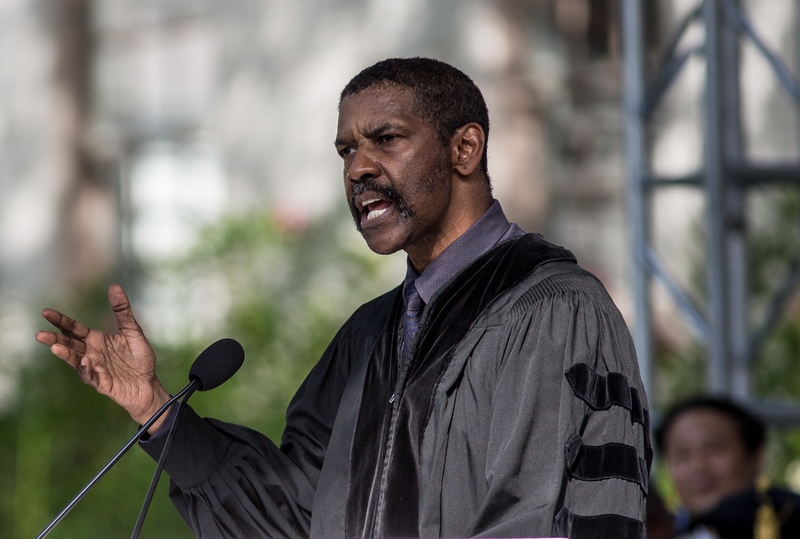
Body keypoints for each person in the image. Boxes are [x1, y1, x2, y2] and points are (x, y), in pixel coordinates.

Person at [35, 57, 651, 539]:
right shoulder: (370, 336)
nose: (358, 168)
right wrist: (157, 411)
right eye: (347, 150)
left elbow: (544, 517)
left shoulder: (550, 311)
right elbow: (295, 519)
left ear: (465, 148)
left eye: (386, 139)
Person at [656, 396, 800, 539]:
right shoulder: (663, 530)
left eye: (713, 449)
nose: (698, 466)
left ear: (755, 457)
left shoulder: (788, 514)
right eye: (682, 455)